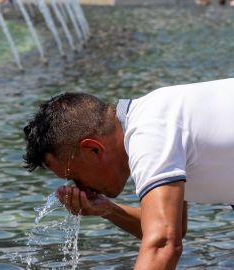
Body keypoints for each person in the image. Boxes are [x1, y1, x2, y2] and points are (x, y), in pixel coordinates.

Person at [22, 78, 234, 269]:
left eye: (75, 176)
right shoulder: (154, 120)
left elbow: (163, 244)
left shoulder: (149, 133)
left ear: (93, 149)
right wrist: (108, 210)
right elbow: (174, 227)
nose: (80, 188)